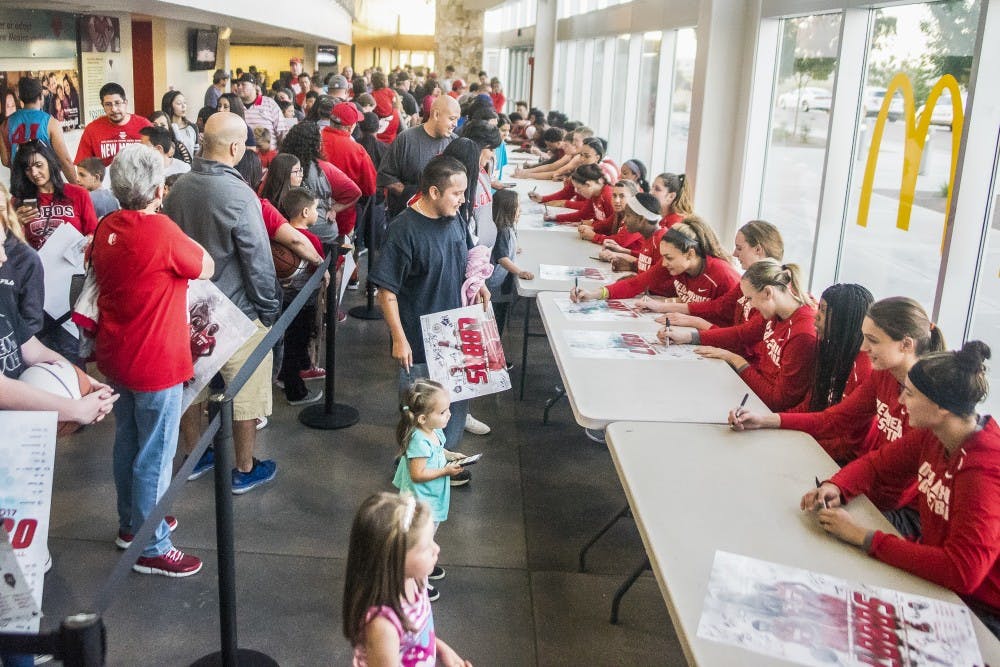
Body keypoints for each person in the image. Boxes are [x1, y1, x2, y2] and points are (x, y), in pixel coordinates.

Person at [802, 341, 1000, 639]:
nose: (901, 401)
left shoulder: (984, 470)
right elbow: (876, 464)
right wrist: (837, 486)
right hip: (939, 580)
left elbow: (962, 570)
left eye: (910, 394)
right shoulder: (933, 434)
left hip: (981, 612)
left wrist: (862, 536)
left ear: (941, 408)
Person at [90, 144, 214, 577]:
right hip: (156, 359)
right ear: (159, 190)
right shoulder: (161, 231)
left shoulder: (107, 225)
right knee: (155, 456)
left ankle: (132, 524)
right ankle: (152, 545)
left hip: (117, 354)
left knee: (127, 442)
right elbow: (206, 266)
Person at [731, 296, 945, 524]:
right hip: (868, 490)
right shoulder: (883, 375)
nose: (863, 347)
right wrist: (764, 420)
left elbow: (896, 476)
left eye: (873, 340)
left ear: (906, 345)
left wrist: (848, 500)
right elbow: (834, 419)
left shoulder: (930, 404)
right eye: (864, 337)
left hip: (898, 511)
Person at [163, 111, 280, 495]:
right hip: (237, 312)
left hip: (188, 307)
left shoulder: (179, 187)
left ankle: (195, 456)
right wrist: (269, 310)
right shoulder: (240, 194)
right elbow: (258, 261)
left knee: (192, 387)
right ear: (234, 148)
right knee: (246, 393)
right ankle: (244, 468)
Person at [370, 155, 488, 484]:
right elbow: (386, 292)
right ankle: (416, 467)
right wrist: (399, 338)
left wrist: (478, 284)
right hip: (419, 339)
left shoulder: (455, 217)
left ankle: (442, 462)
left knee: (453, 407)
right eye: (456, 193)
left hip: (456, 331)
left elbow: (466, 256)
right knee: (421, 413)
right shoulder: (403, 230)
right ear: (434, 192)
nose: (463, 200)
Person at [663, 259, 817, 412]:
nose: (750, 305)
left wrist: (736, 360)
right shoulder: (776, 311)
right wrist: (690, 337)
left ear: (768, 292)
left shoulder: (802, 334)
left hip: (766, 409)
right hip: (753, 391)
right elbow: (740, 334)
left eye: (750, 299)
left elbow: (777, 402)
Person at [342, 493, 472, 665]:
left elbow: (416, 637)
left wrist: (441, 649)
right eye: (425, 547)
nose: (437, 549)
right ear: (395, 559)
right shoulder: (384, 626)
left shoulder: (417, 581)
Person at [392, 380, 471, 600]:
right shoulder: (418, 440)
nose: (449, 415)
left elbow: (438, 450)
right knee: (419, 540)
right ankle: (417, 580)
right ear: (423, 418)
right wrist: (446, 471)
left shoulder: (433, 431)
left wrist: (450, 456)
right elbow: (417, 474)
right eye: (443, 412)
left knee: (425, 538)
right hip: (420, 501)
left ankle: (423, 563)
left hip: (430, 497)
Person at [639, 220, 784, 329]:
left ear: (758, 250)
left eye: (739, 248)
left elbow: (741, 338)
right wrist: (662, 307)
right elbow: (716, 306)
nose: (734, 254)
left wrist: (698, 325)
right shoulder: (748, 282)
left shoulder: (728, 276)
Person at [573, 216, 739, 304]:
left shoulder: (724, 276)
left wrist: (670, 306)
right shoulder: (675, 265)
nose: (664, 263)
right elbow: (636, 284)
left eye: (669, 258)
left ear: (690, 254)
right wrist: (594, 294)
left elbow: (729, 322)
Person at [276, 186, 326, 406]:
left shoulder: (281, 235)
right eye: (316, 209)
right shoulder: (311, 240)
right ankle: (295, 391)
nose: (318, 213)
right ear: (305, 212)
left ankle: (282, 375)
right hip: (304, 302)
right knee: (297, 344)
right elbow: (320, 269)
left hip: (284, 299)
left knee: (288, 341)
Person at [377, 95, 460, 218]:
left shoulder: (455, 143)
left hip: (441, 221)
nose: (455, 124)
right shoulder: (406, 139)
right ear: (436, 115)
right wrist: (413, 195)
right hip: (407, 218)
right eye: (452, 119)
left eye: (457, 120)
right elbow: (385, 176)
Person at [280, 121, 361, 245]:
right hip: (321, 232)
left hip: (286, 229)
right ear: (316, 145)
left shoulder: (280, 163)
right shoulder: (322, 169)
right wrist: (334, 209)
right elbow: (355, 192)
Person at [1, 77, 78, 184]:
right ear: (41, 96)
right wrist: (77, 188)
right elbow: (65, 161)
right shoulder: (50, 123)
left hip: (20, 186)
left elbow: (5, 161)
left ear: (20, 98)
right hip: (45, 186)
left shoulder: (5, 124)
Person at [320, 102, 377, 238]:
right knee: (341, 250)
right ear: (350, 127)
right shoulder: (358, 151)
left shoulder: (313, 140)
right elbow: (370, 188)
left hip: (307, 216)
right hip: (342, 220)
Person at [487, 189, 533, 336]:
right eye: (518, 207)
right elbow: (502, 258)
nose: (521, 210)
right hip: (497, 284)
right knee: (496, 317)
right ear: (508, 209)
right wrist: (520, 272)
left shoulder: (507, 227)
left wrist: (513, 248)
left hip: (502, 282)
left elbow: (504, 248)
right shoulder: (503, 230)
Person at [75, 82, 151, 166]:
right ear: (103, 106)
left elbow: (158, 159)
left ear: (125, 103)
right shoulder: (92, 129)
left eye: (117, 103)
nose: (114, 109)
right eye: (108, 104)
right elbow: (82, 165)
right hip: (106, 174)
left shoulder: (144, 125)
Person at [577, 179, 642, 251]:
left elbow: (619, 242)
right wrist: (590, 228)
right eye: (614, 196)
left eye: (622, 196)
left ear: (633, 199)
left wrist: (593, 236)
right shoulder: (619, 212)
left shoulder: (637, 217)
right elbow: (605, 225)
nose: (616, 200)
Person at [541, 164, 613, 226]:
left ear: (588, 184)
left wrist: (592, 225)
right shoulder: (594, 194)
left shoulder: (608, 197)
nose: (577, 192)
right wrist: (555, 217)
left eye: (578, 188)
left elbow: (613, 227)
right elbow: (582, 215)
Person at [235, 73, 282, 151]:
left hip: (270, 155)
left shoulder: (269, 103)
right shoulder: (235, 106)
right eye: (238, 85)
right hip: (245, 156)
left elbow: (282, 131)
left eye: (243, 84)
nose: (239, 87)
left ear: (254, 86)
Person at [162, 90, 198, 159]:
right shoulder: (165, 128)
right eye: (179, 103)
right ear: (169, 106)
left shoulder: (193, 127)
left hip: (190, 165)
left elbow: (196, 154)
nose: (183, 106)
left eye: (185, 103)